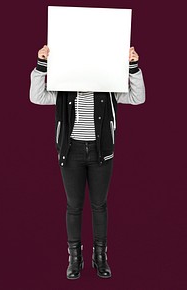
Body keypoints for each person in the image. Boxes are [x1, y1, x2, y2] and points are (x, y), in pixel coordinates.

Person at [29, 45, 145, 279]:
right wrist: (42, 64)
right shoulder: (64, 89)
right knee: (74, 206)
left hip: (100, 153)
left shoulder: (109, 88)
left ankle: (100, 257)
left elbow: (137, 97)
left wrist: (133, 66)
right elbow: (37, 96)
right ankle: (75, 259)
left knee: (99, 205)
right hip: (71, 153)